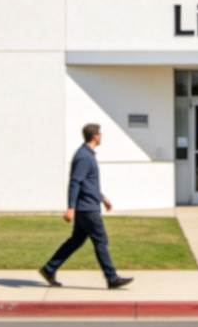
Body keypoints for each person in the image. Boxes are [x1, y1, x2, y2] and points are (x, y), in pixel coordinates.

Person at [39, 123, 133, 290]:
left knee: (76, 240)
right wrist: (71, 207)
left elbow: (88, 184)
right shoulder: (84, 156)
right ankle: (112, 278)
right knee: (101, 240)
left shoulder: (87, 155)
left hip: (87, 206)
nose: (101, 136)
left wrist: (102, 198)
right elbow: (75, 182)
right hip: (87, 209)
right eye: (100, 133)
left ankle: (49, 268)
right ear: (95, 136)